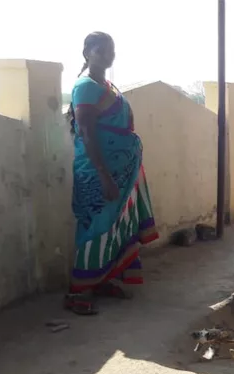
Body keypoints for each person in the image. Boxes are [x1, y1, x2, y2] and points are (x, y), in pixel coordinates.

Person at [64, 32, 158, 315]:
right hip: (97, 173)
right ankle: (77, 291)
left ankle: (102, 279)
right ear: (87, 53)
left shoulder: (106, 85)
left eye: (111, 50)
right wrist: (104, 175)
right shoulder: (84, 87)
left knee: (116, 226)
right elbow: (87, 133)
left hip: (121, 171)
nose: (108, 54)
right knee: (95, 228)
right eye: (101, 50)